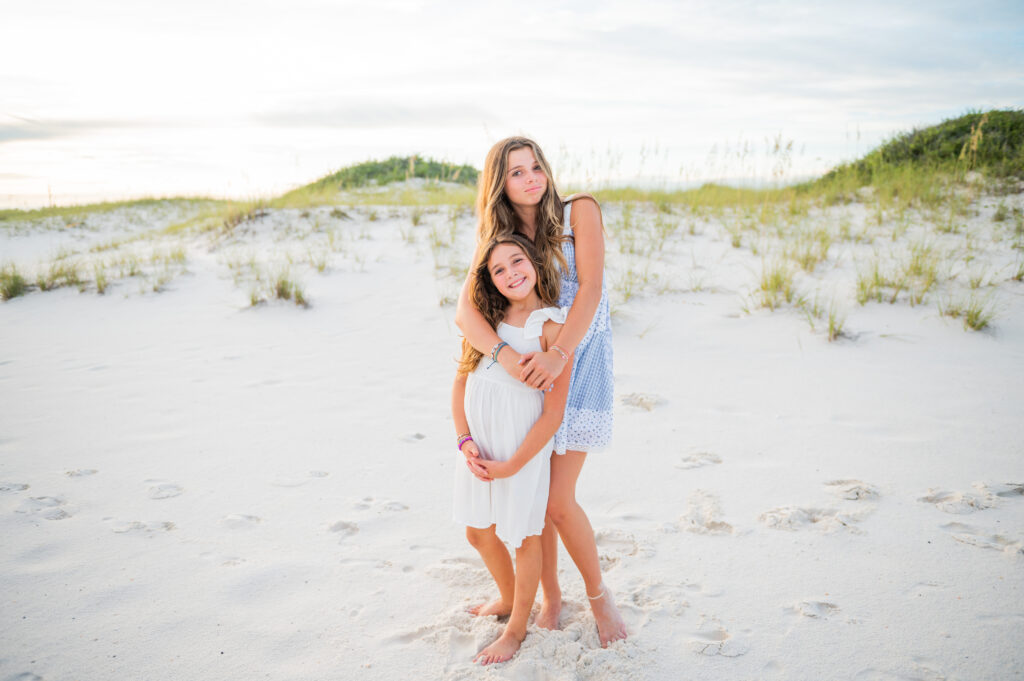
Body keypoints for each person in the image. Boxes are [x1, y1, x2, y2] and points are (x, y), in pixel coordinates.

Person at [455, 137, 627, 647]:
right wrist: (507, 358)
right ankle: (551, 598)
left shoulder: (579, 211)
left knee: (557, 500)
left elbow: (590, 289)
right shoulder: (501, 236)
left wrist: (560, 355)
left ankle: (599, 597)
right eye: (515, 172)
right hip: (528, 368)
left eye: (536, 167)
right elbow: (465, 312)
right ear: (499, 185)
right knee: (533, 498)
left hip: (579, 356)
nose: (531, 178)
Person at [451, 233, 572, 665]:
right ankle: (506, 597)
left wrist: (514, 465)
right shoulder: (488, 319)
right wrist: (464, 440)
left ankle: (516, 629)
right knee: (477, 531)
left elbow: (552, 415)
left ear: (535, 261)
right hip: (478, 447)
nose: (510, 274)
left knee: (523, 534)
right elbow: (462, 381)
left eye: (516, 261)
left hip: (520, 452)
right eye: (498, 270)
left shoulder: (552, 327)